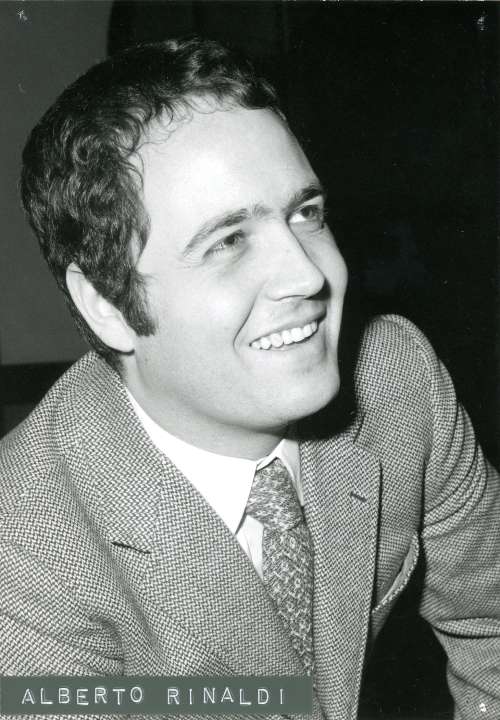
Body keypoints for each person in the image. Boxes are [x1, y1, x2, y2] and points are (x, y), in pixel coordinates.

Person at [1, 37, 499, 720]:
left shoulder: (396, 379)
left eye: (306, 214)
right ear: (108, 305)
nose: (308, 275)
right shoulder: (23, 544)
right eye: (228, 241)